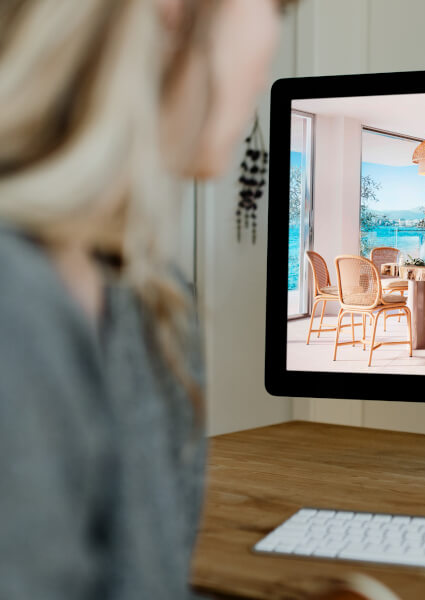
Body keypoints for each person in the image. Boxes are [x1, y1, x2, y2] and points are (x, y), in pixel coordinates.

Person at [0, 0, 286, 596]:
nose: (271, 51)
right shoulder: (17, 310)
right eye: (277, 7)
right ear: (173, 11)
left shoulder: (153, 305)